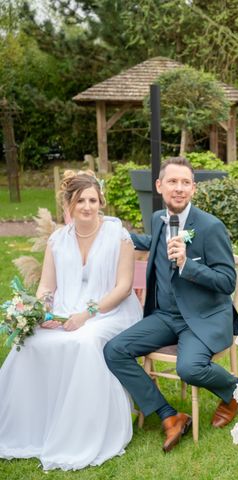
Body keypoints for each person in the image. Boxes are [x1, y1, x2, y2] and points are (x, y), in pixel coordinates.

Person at [0, 171, 143, 471]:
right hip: (67, 312)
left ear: (101, 201)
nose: (88, 207)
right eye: (81, 201)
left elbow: (123, 288)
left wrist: (87, 314)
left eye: (93, 200)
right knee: (30, 342)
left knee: (84, 341)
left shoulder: (119, 236)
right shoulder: (57, 240)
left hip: (112, 314)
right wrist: (41, 312)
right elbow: (47, 287)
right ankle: (35, 427)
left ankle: (83, 430)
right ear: (69, 204)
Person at [104, 156, 238, 453]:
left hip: (202, 317)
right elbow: (154, 241)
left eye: (185, 182)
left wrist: (188, 266)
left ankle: (233, 389)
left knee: (189, 368)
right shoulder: (158, 218)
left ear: (193, 188)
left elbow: (227, 281)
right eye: (172, 182)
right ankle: (170, 415)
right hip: (166, 315)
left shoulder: (210, 226)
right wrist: (116, 233)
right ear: (159, 186)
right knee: (114, 350)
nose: (178, 188)